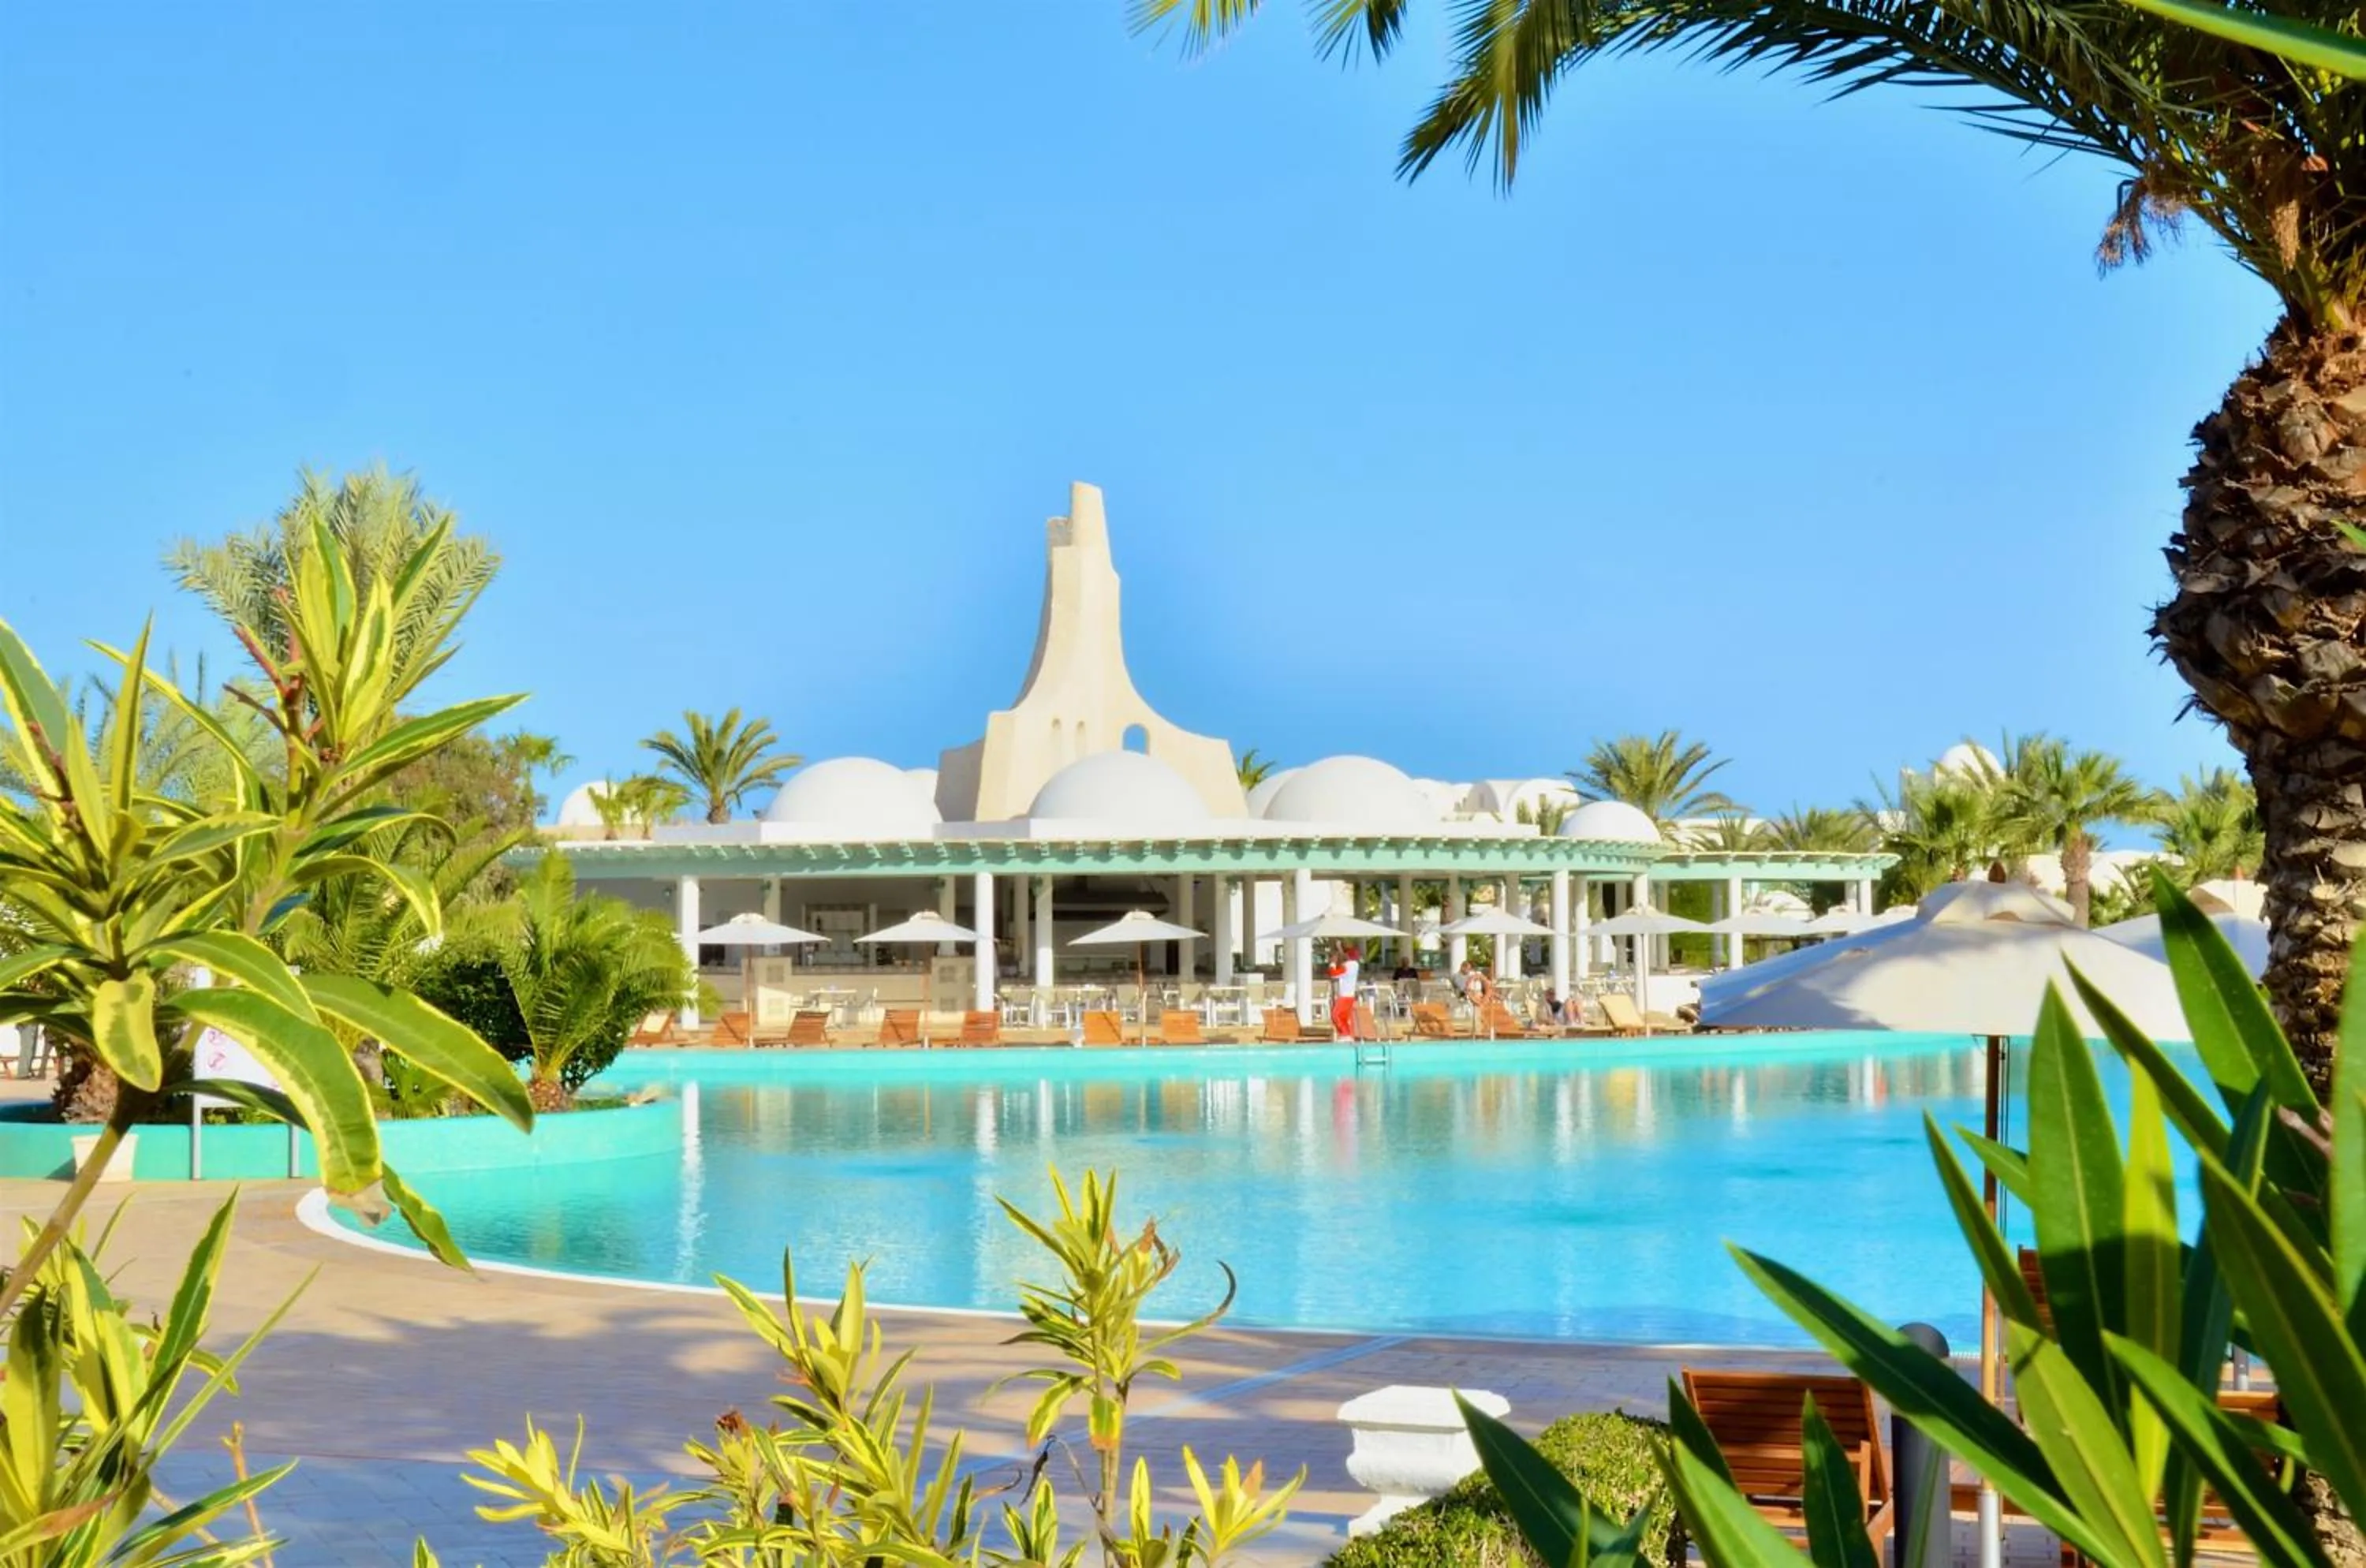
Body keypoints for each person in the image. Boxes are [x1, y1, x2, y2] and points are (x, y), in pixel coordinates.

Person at [1329, 943, 1361, 1040]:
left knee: (1336, 1015)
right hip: (1350, 996)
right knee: (1344, 1017)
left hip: (1344, 996)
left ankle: (1345, 1034)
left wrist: (1333, 963)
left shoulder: (1347, 966)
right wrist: (1339, 949)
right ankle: (1347, 1034)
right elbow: (1344, 958)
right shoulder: (1355, 965)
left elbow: (1333, 974)